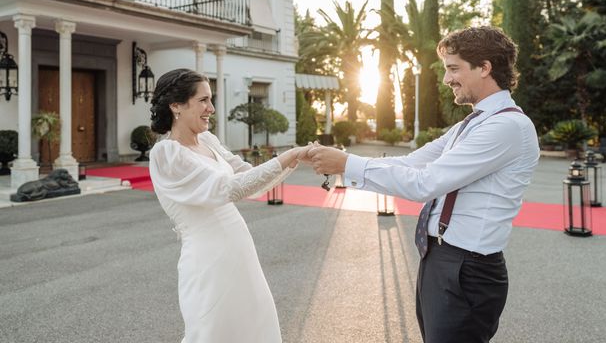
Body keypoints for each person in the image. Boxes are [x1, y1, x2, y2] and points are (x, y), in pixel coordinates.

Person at [305, 26, 539, 343]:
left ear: (485, 68)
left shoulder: (508, 126)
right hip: (440, 260)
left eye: (454, 69)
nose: (446, 79)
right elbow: (412, 162)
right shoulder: (472, 123)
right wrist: (343, 160)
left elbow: (424, 183)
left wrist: (345, 165)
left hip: (468, 269)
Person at [148, 68, 308, 343]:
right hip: (208, 260)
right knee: (214, 331)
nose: (211, 108)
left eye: (211, 99)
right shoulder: (167, 154)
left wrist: (296, 159)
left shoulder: (208, 140)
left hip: (240, 252)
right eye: (203, 100)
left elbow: (250, 178)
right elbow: (229, 188)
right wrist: (288, 156)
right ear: (176, 106)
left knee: (254, 327)